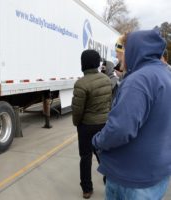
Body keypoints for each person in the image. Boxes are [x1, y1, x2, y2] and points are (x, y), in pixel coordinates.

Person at [92, 29, 171, 199]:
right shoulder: (166, 75)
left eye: (123, 52)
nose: (120, 58)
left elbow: (120, 129)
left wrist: (98, 140)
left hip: (132, 178)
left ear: (135, 50)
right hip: (156, 173)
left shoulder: (139, 80)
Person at [71, 49, 112, 199]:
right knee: (104, 154)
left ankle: (87, 189)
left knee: (86, 157)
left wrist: (77, 123)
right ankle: (109, 179)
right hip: (104, 124)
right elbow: (110, 103)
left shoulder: (81, 84)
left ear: (83, 64)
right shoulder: (107, 80)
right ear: (97, 63)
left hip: (87, 126)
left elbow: (77, 110)